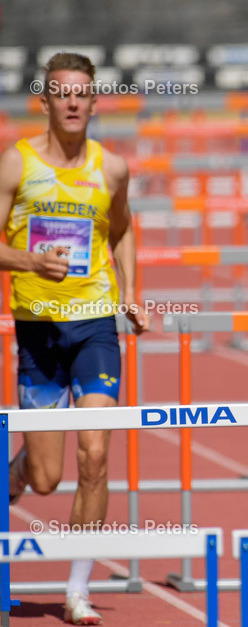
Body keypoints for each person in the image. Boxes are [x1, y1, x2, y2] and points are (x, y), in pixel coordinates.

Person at [0, 53, 148, 624]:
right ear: (44, 102)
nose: (71, 102)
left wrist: (130, 292)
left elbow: (123, 228)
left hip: (95, 325)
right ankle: (18, 473)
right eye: (61, 93)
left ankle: (77, 590)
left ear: (93, 102)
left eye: (81, 93)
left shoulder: (112, 169)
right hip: (37, 328)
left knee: (95, 456)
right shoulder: (17, 163)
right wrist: (29, 261)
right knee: (46, 479)